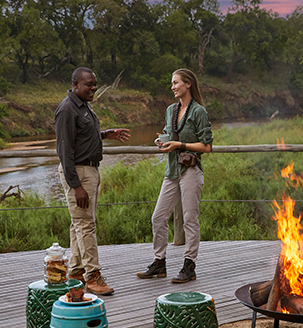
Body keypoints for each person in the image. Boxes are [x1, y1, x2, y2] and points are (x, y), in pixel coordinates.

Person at [56, 67, 131, 295]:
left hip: (90, 171)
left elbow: (82, 137)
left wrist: (105, 134)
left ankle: (76, 271)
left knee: (79, 223)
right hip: (79, 173)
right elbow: (65, 150)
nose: (93, 88)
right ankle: (93, 276)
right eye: (89, 84)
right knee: (85, 225)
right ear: (76, 84)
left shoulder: (83, 106)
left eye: (95, 84)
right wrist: (76, 185)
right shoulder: (67, 110)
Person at [136, 68, 213, 283]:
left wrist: (180, 145)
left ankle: (189, 266)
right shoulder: (170, 110)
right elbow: (167, 133)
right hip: (171, 172)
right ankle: (159, 263)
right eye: (172, 83)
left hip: (190, 171)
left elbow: (206, 146)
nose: (172, 87)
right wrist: (161, 142)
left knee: (189, 219)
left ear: (188, 84)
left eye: (176, 83)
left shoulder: (199, 111)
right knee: (158, 217)